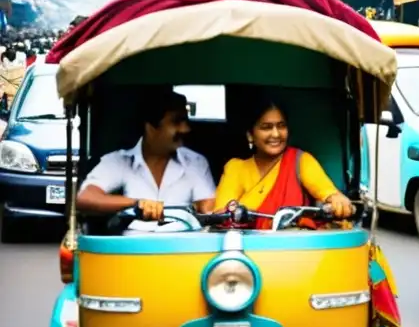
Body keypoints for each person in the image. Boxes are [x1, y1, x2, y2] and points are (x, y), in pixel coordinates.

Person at [76, 89, 216, 224]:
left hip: (181, 247)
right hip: (130, 247)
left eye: (186, 122)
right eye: (176, 122)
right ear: (150, 128)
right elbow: (85, 199)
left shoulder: (196, 162)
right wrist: (136, 204)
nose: (185, 129)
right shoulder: (119, 162)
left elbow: (208, 210)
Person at [214, 99, 355, 227]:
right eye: (266, 127)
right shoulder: (236, 168)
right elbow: (222, 216)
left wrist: (337, 200)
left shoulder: (300, 160)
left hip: (293, 248)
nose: (276, 134)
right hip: (245, 249)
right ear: (250, 135)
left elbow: (328, 192)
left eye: (281, 126)